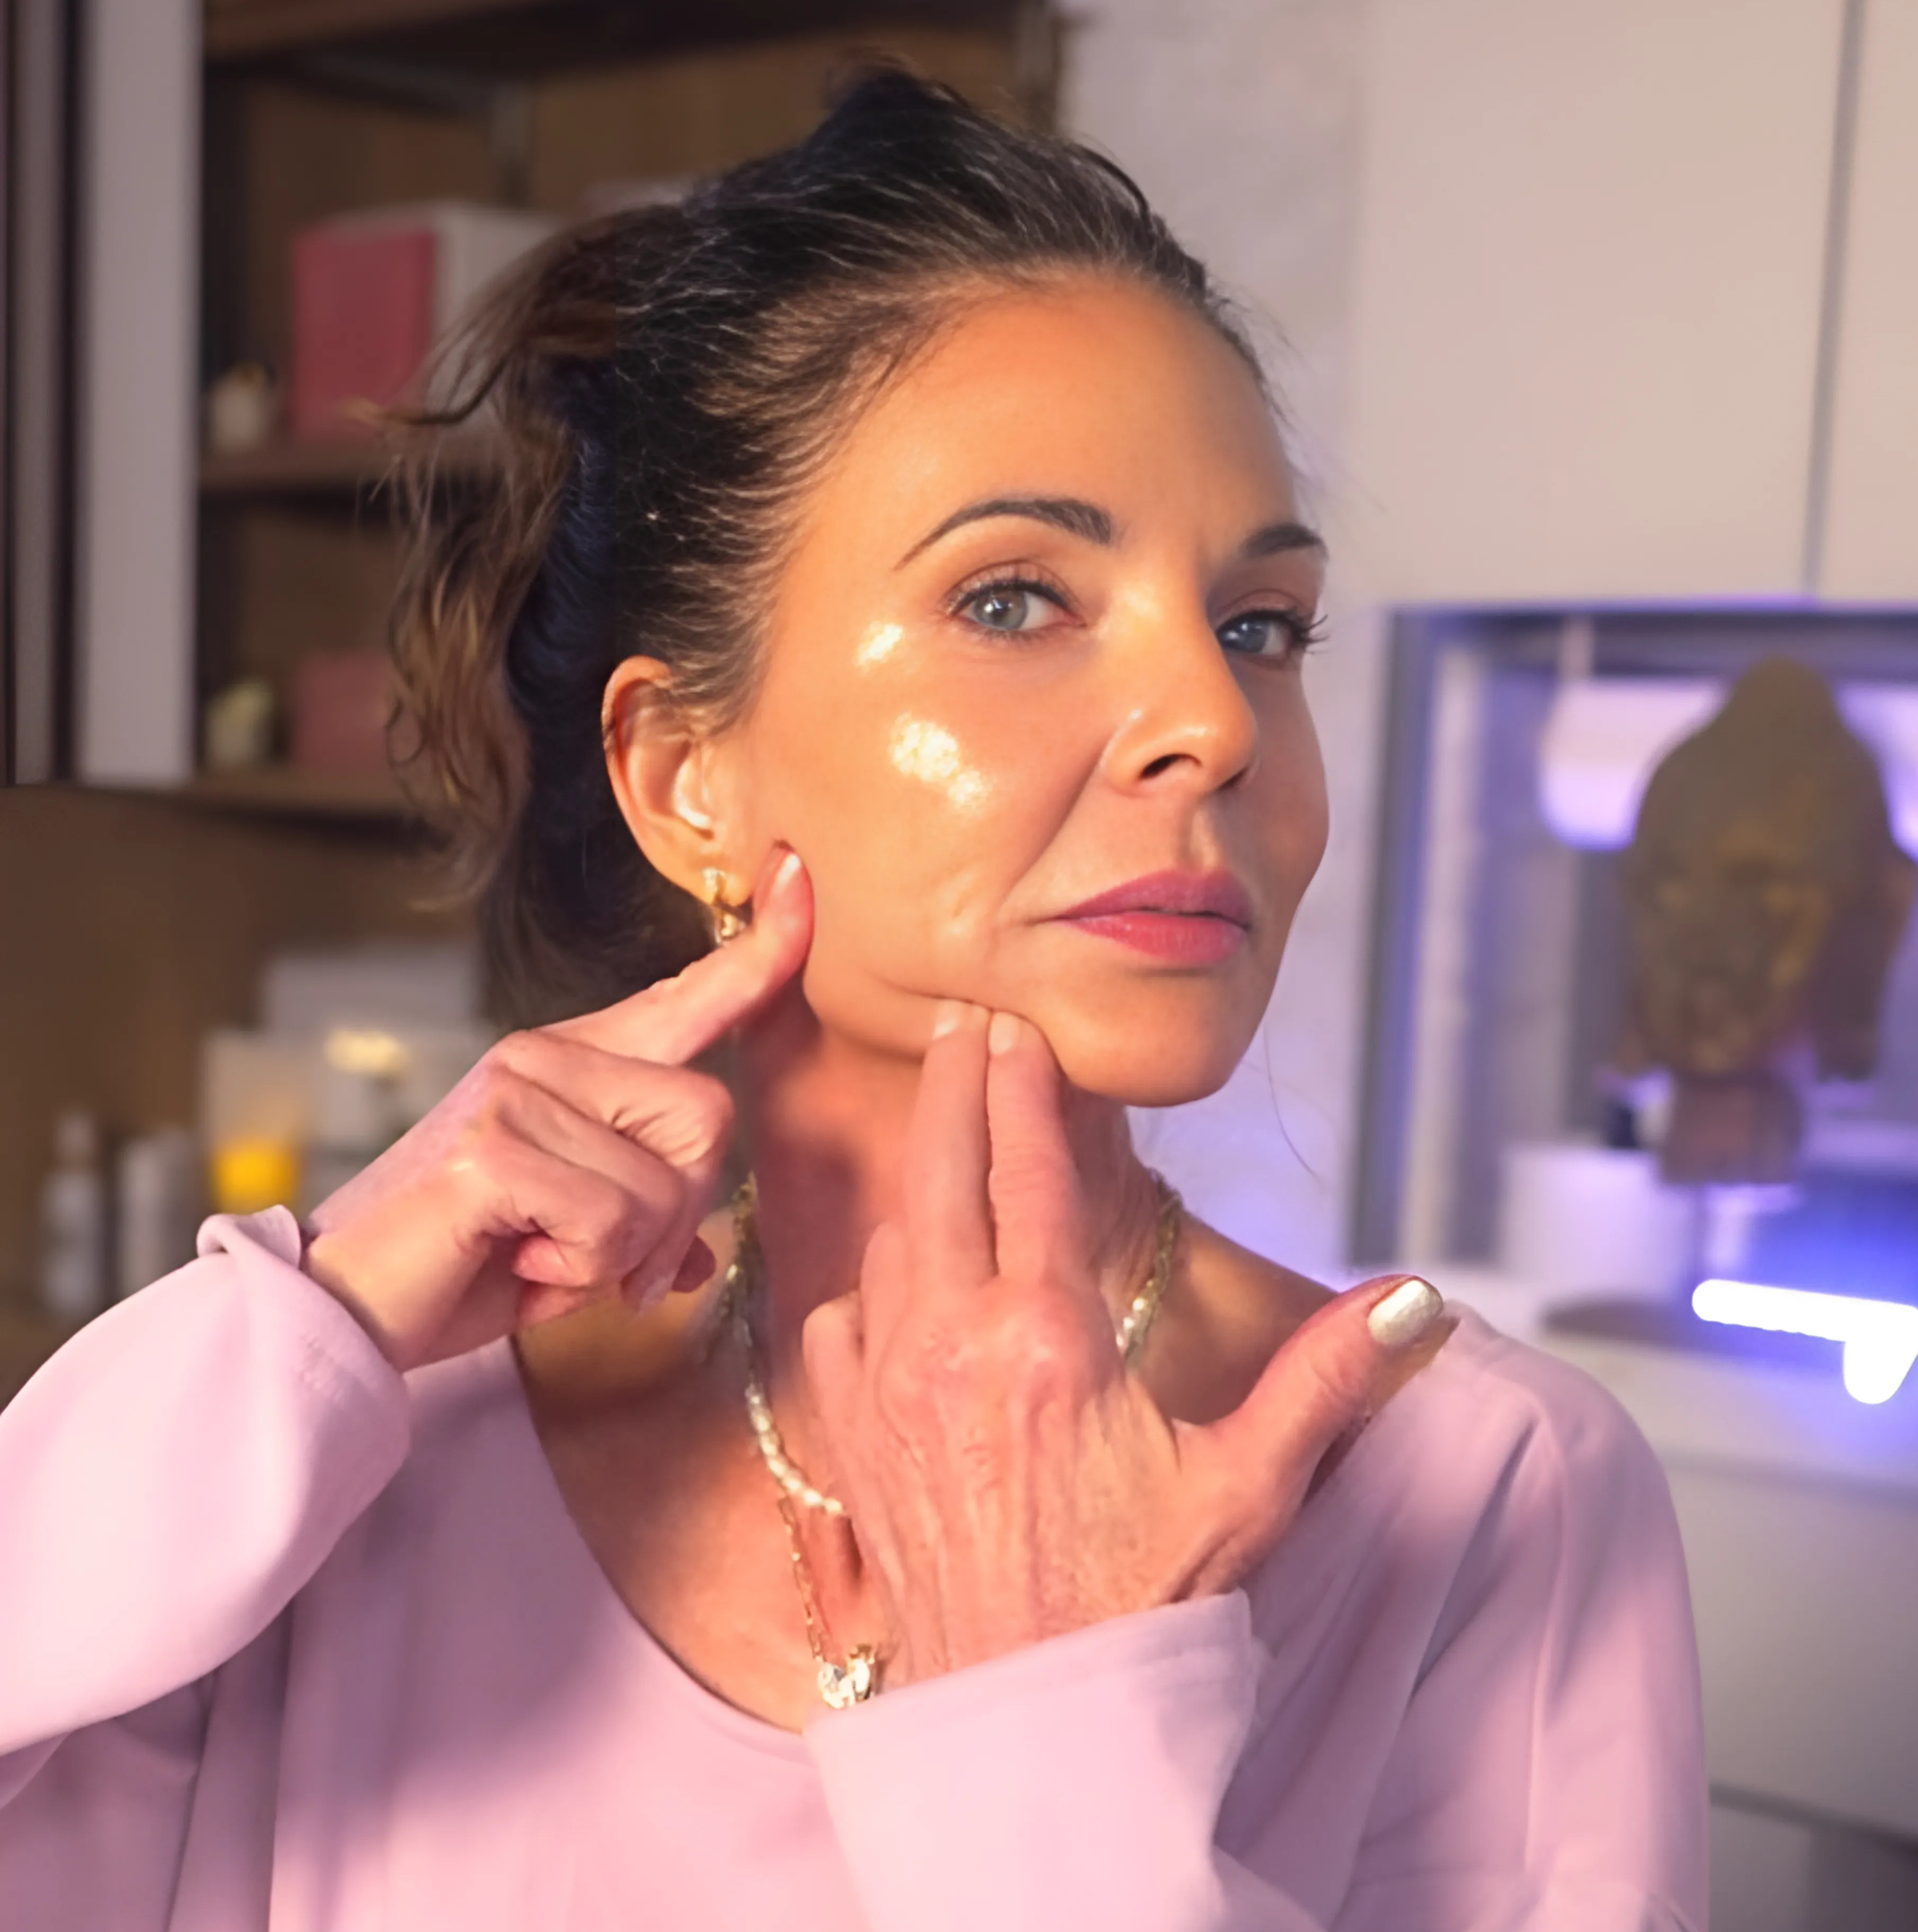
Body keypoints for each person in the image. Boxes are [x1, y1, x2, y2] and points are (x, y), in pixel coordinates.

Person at [0, 73, 1707, 1931]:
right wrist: (284, 1340)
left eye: (1257, 625)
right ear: (682, 775)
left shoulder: (1491, 1507)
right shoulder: (335, 1469)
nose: (1215, 724)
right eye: (1013, 600)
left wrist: (1043, 1759)